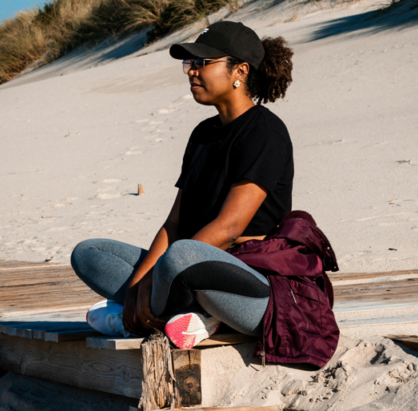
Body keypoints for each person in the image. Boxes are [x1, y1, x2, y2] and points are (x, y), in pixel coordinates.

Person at [71, 21, 298, 349]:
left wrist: (154, 279)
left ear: (240, 71)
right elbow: (174, 224)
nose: (192, 71)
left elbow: (229, 228)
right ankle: (183, 315)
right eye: (190, 63)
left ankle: (159, 315)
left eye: (202, 62)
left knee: (181, 255)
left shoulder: (265, 132)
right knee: (89, 254)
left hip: (249, 286)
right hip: (184, 268)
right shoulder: (203, 135)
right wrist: (138, 286)